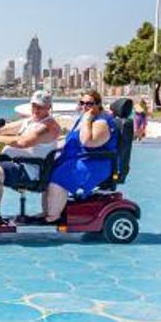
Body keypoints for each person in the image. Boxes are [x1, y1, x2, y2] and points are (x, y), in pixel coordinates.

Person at [0, 90, 61, 225]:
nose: (36, 109)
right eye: (34, 105)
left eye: (40, 106)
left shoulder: (48, 126)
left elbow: (24, 142)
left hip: (30, 170)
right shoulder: (29, 121)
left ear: (49, 108)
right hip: (13, 163)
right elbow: (3, 128)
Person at [44, 90, 116, 223]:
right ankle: (49, 211)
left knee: (58, 178)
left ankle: (53, 217)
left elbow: (88, 141)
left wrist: (87, 119)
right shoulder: (83, 119)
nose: (85, 106)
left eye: (89, 103)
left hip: (93, 163)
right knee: (46, 171)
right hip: (77, 159)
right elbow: (70, 140)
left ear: (98, 105)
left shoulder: (102, 122)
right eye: (82, 103)